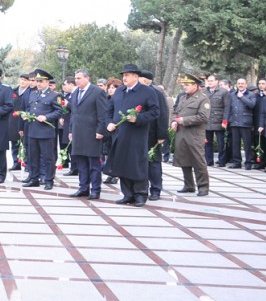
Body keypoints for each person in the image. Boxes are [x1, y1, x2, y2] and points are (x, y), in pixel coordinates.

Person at [106, 64, 161, 207]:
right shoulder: (119, 91)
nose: (124, 77)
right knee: (122, 163)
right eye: (123, 75)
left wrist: (138, 118)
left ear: (136, 77)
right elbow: (109, 109)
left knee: (137, 164)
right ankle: (127, 194)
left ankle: (141, 194)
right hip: (119, 134)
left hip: (137, 134)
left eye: (128, 75)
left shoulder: (147, 91)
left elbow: (155, 112)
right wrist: (109, 123)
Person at [19, 69, 63, 190]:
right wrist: (25, 114)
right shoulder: (33, 94)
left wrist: (47, 117)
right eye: (37, 81)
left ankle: (49, 180)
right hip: (33, 130)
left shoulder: (54, 95)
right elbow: (31, 109)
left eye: (41, 81)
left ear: (47, 82)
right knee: (33, 156)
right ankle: (34, 178)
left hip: (45, 132)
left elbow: (59, 111)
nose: (38, 84)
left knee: (47, 157)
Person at [67, 69, 107, 200]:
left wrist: (101, 130)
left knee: (94, 164)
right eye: (75, 78)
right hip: (78, 133)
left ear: (87, 78)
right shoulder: (75, 93)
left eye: (79, 78)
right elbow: (73, 114)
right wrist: (71, 131)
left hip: (92, 133)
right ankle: (83, 188)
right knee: (81, 162)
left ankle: (95, 190)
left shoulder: (97, 92)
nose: (76, 81)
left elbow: (102, 114)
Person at [170, 73, 211, 196]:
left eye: (187, 85)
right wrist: (173, 121)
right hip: (181, 133)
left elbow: (203, 117)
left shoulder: (203, 98)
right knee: (184, 159)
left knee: (198, 161)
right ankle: (189, 185)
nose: (185, 87)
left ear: (195, 85)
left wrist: (184, 120)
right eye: (184, 85)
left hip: (194, 134)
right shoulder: (183, 97)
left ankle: (203, 187)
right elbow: (175, 111)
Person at [139, 70, 168, 201]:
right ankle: (142, 188)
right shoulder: (137, 91)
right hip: (139, 132)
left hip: (153, 134)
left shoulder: (157, 93)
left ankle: (156, 189)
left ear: (144, 80)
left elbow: (162, 115)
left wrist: (161, 134)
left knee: (154, 163)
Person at [224, 78, 257, 169]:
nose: (240, 85)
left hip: (246, 122)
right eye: (239, 83)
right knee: (235, 144)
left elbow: (252, 105)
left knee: (247, 144)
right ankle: (236, 162)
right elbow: (228, 109)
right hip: (234, 122)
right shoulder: (232, 95)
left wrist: (242, 97)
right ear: (236, 85)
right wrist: (226, 120)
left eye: (242, 83)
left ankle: (248, 162)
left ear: (246, 84)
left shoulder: (251, 94)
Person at [8, 73, 32, 170]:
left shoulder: (31, 92)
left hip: (25, 119)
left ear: (29, 82)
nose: (22, 82)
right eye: (21, 79)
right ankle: (16, 162)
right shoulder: (13, 91)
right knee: (14, 142)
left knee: (26, 142)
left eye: (25, 80)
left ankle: (26, 163)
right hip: (13, 120)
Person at [204, 74, 228, 166]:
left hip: (219, 120)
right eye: (208, 81)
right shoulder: (204, 92)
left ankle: (222, 161)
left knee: (221, 143)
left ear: (217, 81)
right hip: (207, 121)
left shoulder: (223, 92)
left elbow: (227, 107)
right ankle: (208, 161)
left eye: (211, 81)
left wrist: (225, 121)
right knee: (207, 143)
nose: (209, 82)